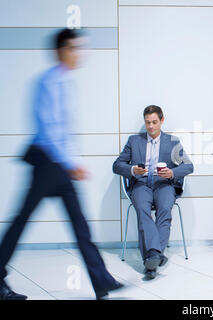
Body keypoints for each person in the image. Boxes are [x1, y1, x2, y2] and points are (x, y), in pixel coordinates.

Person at [0, 29, 124, 300]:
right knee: (22, 221)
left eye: (80, 48)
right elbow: (50, 129)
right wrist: (71, 163)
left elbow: (66, 131)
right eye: (73, 48)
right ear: (60, 50)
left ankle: (101, 281)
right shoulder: (49, 82)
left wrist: (73, 162)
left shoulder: (65, 83)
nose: (79, 53)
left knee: (79, 226)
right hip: (47, 164)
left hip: (59, 166)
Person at [113, 105, 193, 279]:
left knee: (165, 209)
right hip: (141, 185)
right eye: (147, 122)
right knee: (142, 211)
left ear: (162, 121)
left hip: (164, 184)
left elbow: (188, 166)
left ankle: (151, 259)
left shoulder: (172, 142)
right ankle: (155, 256)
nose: (150, 126)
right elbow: (117, 166)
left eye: (154, 122)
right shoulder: (134, 141)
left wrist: (172, 173)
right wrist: (133, 169)